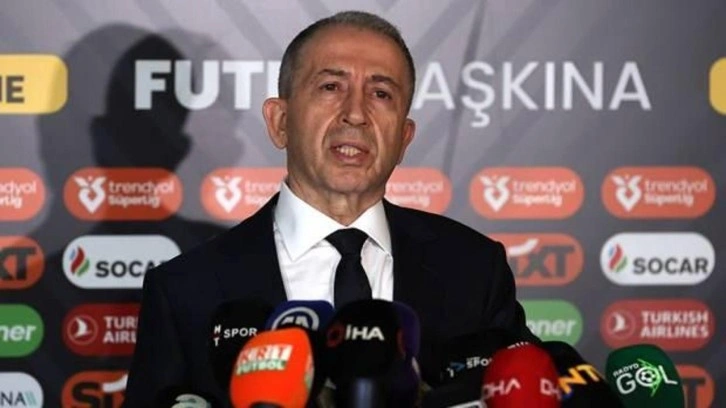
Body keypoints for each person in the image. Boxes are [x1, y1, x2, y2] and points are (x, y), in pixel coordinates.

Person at [124, 10, 536, 406]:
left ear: (404, 138)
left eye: (381, 93)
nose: (355, 114)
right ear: (280, 122)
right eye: (330, 87)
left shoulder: (474, 270)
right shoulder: (185, 290)